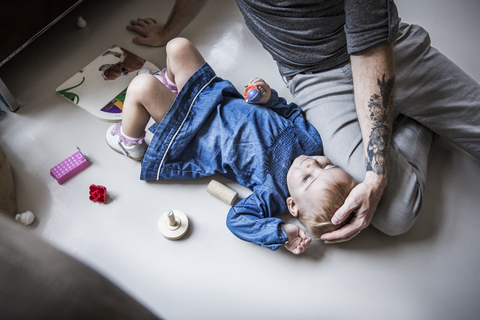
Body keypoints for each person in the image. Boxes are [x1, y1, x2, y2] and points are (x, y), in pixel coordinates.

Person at [126, 0, 480, 244]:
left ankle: (401, 115)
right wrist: (170, 29)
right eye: (320, 168)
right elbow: (290, 115)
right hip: (314, 76)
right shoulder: (291, 175)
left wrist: (376, 172)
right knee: (395, 212)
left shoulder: (297, 162)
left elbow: (369, 47)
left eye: (319, 168)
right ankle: (414, 121)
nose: (315, 162)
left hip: (384, 49)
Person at [106, 37, 358, 254]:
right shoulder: (311, 143)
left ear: (292, 204)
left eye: (307, 179)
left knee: (142, 86)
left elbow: (237, 219)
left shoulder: (273, 195)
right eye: (327, 165)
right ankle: (173, 88)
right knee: (178, 46)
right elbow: (290, 114)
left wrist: (278, 231)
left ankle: (129, 140)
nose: (313, 164)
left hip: (193, 132)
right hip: (214, 99)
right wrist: (269, 98)